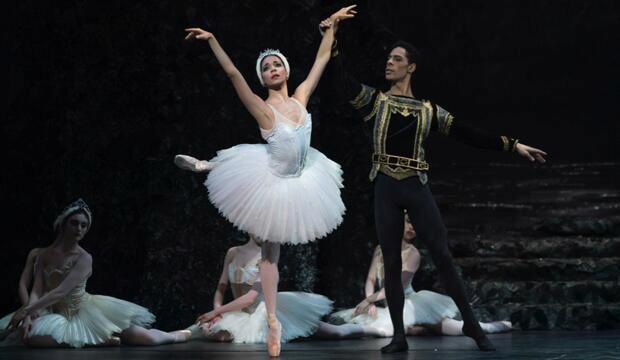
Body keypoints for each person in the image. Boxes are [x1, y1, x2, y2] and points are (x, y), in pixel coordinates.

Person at [319, 16, 546, 353]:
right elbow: (342, 80)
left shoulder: (428, 111)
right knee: (391, 263)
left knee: (442, 254)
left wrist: (512, 145)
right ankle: (399, 336)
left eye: (397, 59)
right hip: (385, 187)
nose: (389, 62)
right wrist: (331, 38)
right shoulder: (376, 102)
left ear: (411, 67)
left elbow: (470, 134)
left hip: (415, 185)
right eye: (388, 58)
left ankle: (471, 323)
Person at [177, 5, 357, 356]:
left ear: (286, 71)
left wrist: (332, 27)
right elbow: (232, 76)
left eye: (276, 64)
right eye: (265, 68)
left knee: (272, 254)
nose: (272, 69)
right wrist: (213, 40)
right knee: (269, 254)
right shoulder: (263, 108)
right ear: (262, 79)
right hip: (272, 178)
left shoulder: (301, 98)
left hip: (303, 178)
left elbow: (321, 61)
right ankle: (273, 320)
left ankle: (206, 166)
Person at [4, 199, 191, 348]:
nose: (79, 229)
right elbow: (37, 289)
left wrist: (25, 311)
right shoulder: (44, 254)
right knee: (31, 338)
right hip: (56, 312)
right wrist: (28, 315)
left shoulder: (84, 258)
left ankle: (177, 336)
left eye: (84, 225)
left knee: (144, 339)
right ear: (62, 224)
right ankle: (101, 341)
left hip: (85, 311)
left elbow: (61, 291)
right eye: (74, 223)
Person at [330, 214, 512, 337]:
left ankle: (494, 326)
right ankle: (418, 329)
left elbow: (396, 287)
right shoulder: (380, 249)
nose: (412, 227)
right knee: (392, 324)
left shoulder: (413, 253)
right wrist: (369, 300)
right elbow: (370, 279)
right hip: (388, 302)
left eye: (416, 225)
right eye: (409, 221)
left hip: (411, 302)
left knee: (455, 328)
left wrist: (369, 300)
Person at [187, 235, 386, 343]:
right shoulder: (233, 252)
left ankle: (375, 331)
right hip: (236, 313)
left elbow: (249, 298)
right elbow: (221, 286)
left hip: (265, 311)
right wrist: (217, 312)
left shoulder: (266, 258)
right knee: (210, 332)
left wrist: (216, 311)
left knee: (334, 333)